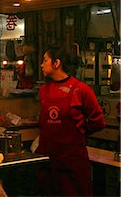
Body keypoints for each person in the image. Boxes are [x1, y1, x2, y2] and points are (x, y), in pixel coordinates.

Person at [37, 46, 106, 196]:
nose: (42, 65)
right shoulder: (44, 90)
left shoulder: (81, 90)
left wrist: (80, 131)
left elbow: (98, 121)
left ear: (57, 63)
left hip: (72, 163)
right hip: (48, 162)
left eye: (45, 60)